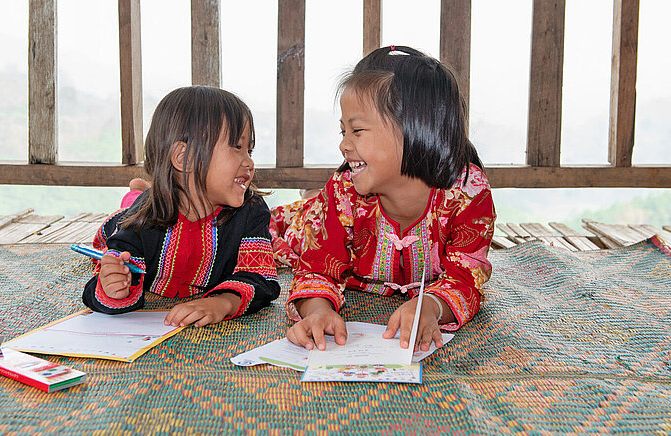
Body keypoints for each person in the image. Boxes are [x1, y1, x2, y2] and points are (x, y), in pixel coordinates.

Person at [272, 46, 495, 351]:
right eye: (343, 132)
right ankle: (311, 201)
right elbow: (318, 267)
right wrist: (318, 310)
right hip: (315, 219)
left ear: (416, 129)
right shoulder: (344, 194)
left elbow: (468, 276)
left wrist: (429, 306)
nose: (344, 146)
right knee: (280, 226)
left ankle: (311, 198)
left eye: (357, 131)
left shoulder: (468, 193)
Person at [82, 86, 280, 328]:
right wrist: (114, 287)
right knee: (130, 208)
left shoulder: (252, 212)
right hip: (136, 210)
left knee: (141, 197)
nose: (249, 162)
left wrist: (224, 302)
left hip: (160, 196)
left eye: (249, 150)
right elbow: (103, 284)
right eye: (237, 148)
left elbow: (262, 278)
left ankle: (139, 189)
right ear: (183, 157)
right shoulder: (139, 222)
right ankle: (137, 192)